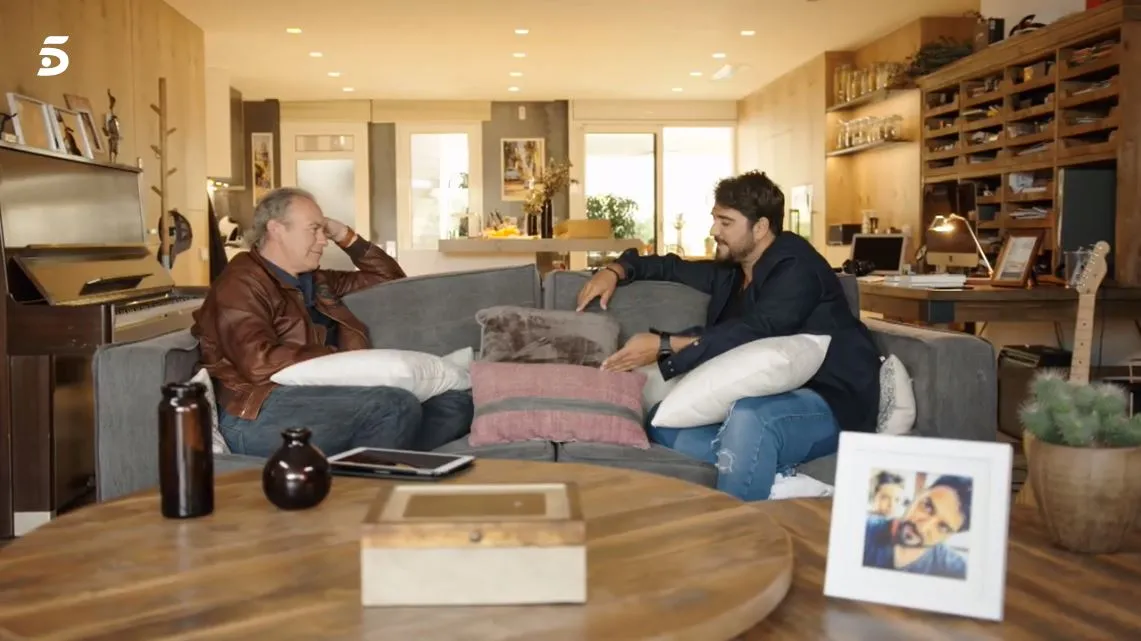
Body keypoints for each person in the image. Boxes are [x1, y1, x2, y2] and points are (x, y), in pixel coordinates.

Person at [575, 170, 881, 502]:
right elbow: (670, 267)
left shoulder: (797, 266)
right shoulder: (733, 270)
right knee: (663, 421)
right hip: (766, 394)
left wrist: (664, 344)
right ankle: (780, 479)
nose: (714, 231)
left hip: (831, 396)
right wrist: (615, 270)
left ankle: (739, 541)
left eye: (725, 222)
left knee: (751, 419)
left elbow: (757, 331)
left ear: (760, 227)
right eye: (714, 220)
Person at [192, 187, 472, 457]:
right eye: (313, 229)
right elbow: (258, 363)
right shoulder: (240, 281)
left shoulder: (317, 280)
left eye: (324, 231)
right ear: (276, 229)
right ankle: (368, 477)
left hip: (325, 398)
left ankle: (361, 459)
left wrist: (345, 235)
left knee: (455, 403)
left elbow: (391, 282)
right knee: (394, 406)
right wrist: (341, 360)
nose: (323, 240)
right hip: (257, 412)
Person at [862, 475, 972, 580]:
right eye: (927, 506)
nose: (922, 527)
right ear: (919, 494)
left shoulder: (956, 570)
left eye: (943, 527)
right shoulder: (862, 531)